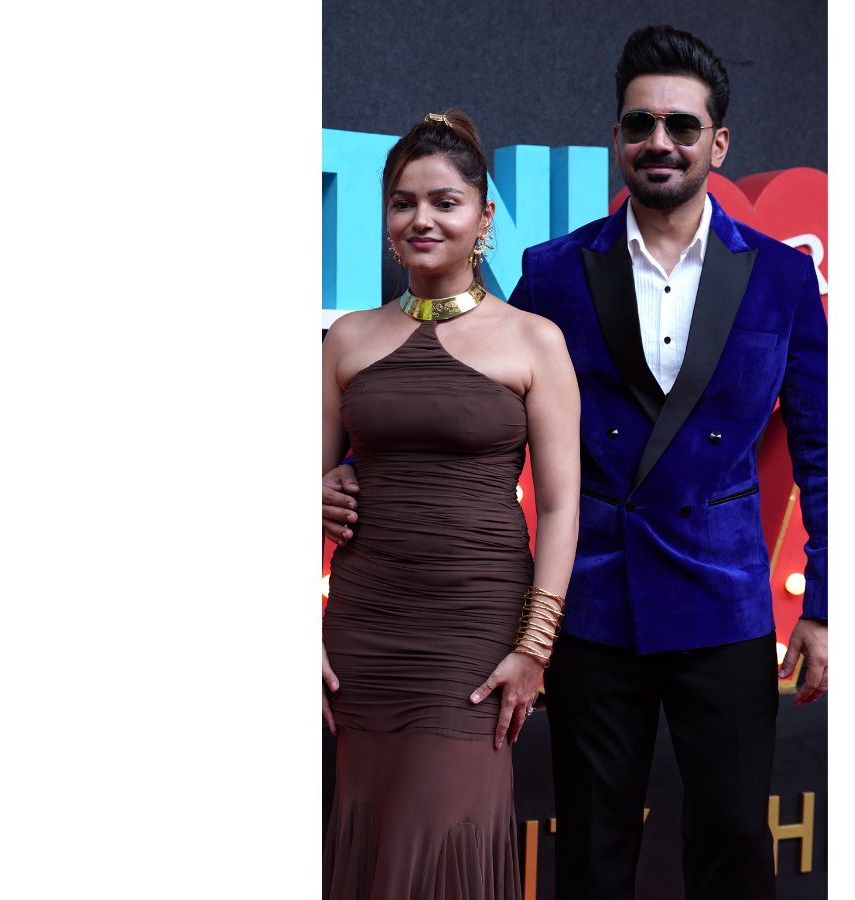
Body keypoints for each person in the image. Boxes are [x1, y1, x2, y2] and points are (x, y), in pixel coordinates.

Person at [325, 25, 827, 899]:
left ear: (719, 143)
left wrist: (824, 604)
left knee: (736, 839)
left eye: (681, 125)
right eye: (640, 124)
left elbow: (822, 451)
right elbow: (472, 395)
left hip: (726, 601)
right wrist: (343, 471)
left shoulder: (782, 277)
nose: (659, 141)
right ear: (617, 138)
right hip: (594, 609)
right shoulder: (555, 271)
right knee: (592, 849)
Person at [320, 109, 580, 900]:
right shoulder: (347, 340)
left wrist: (535, 647)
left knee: (443, 843)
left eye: (444, 201)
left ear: (484, 216)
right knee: (372, 838)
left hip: (475, 637)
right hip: (365, 635)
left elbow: (562, 507)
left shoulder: (534, 341)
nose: (421, 219)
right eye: (403, 203)